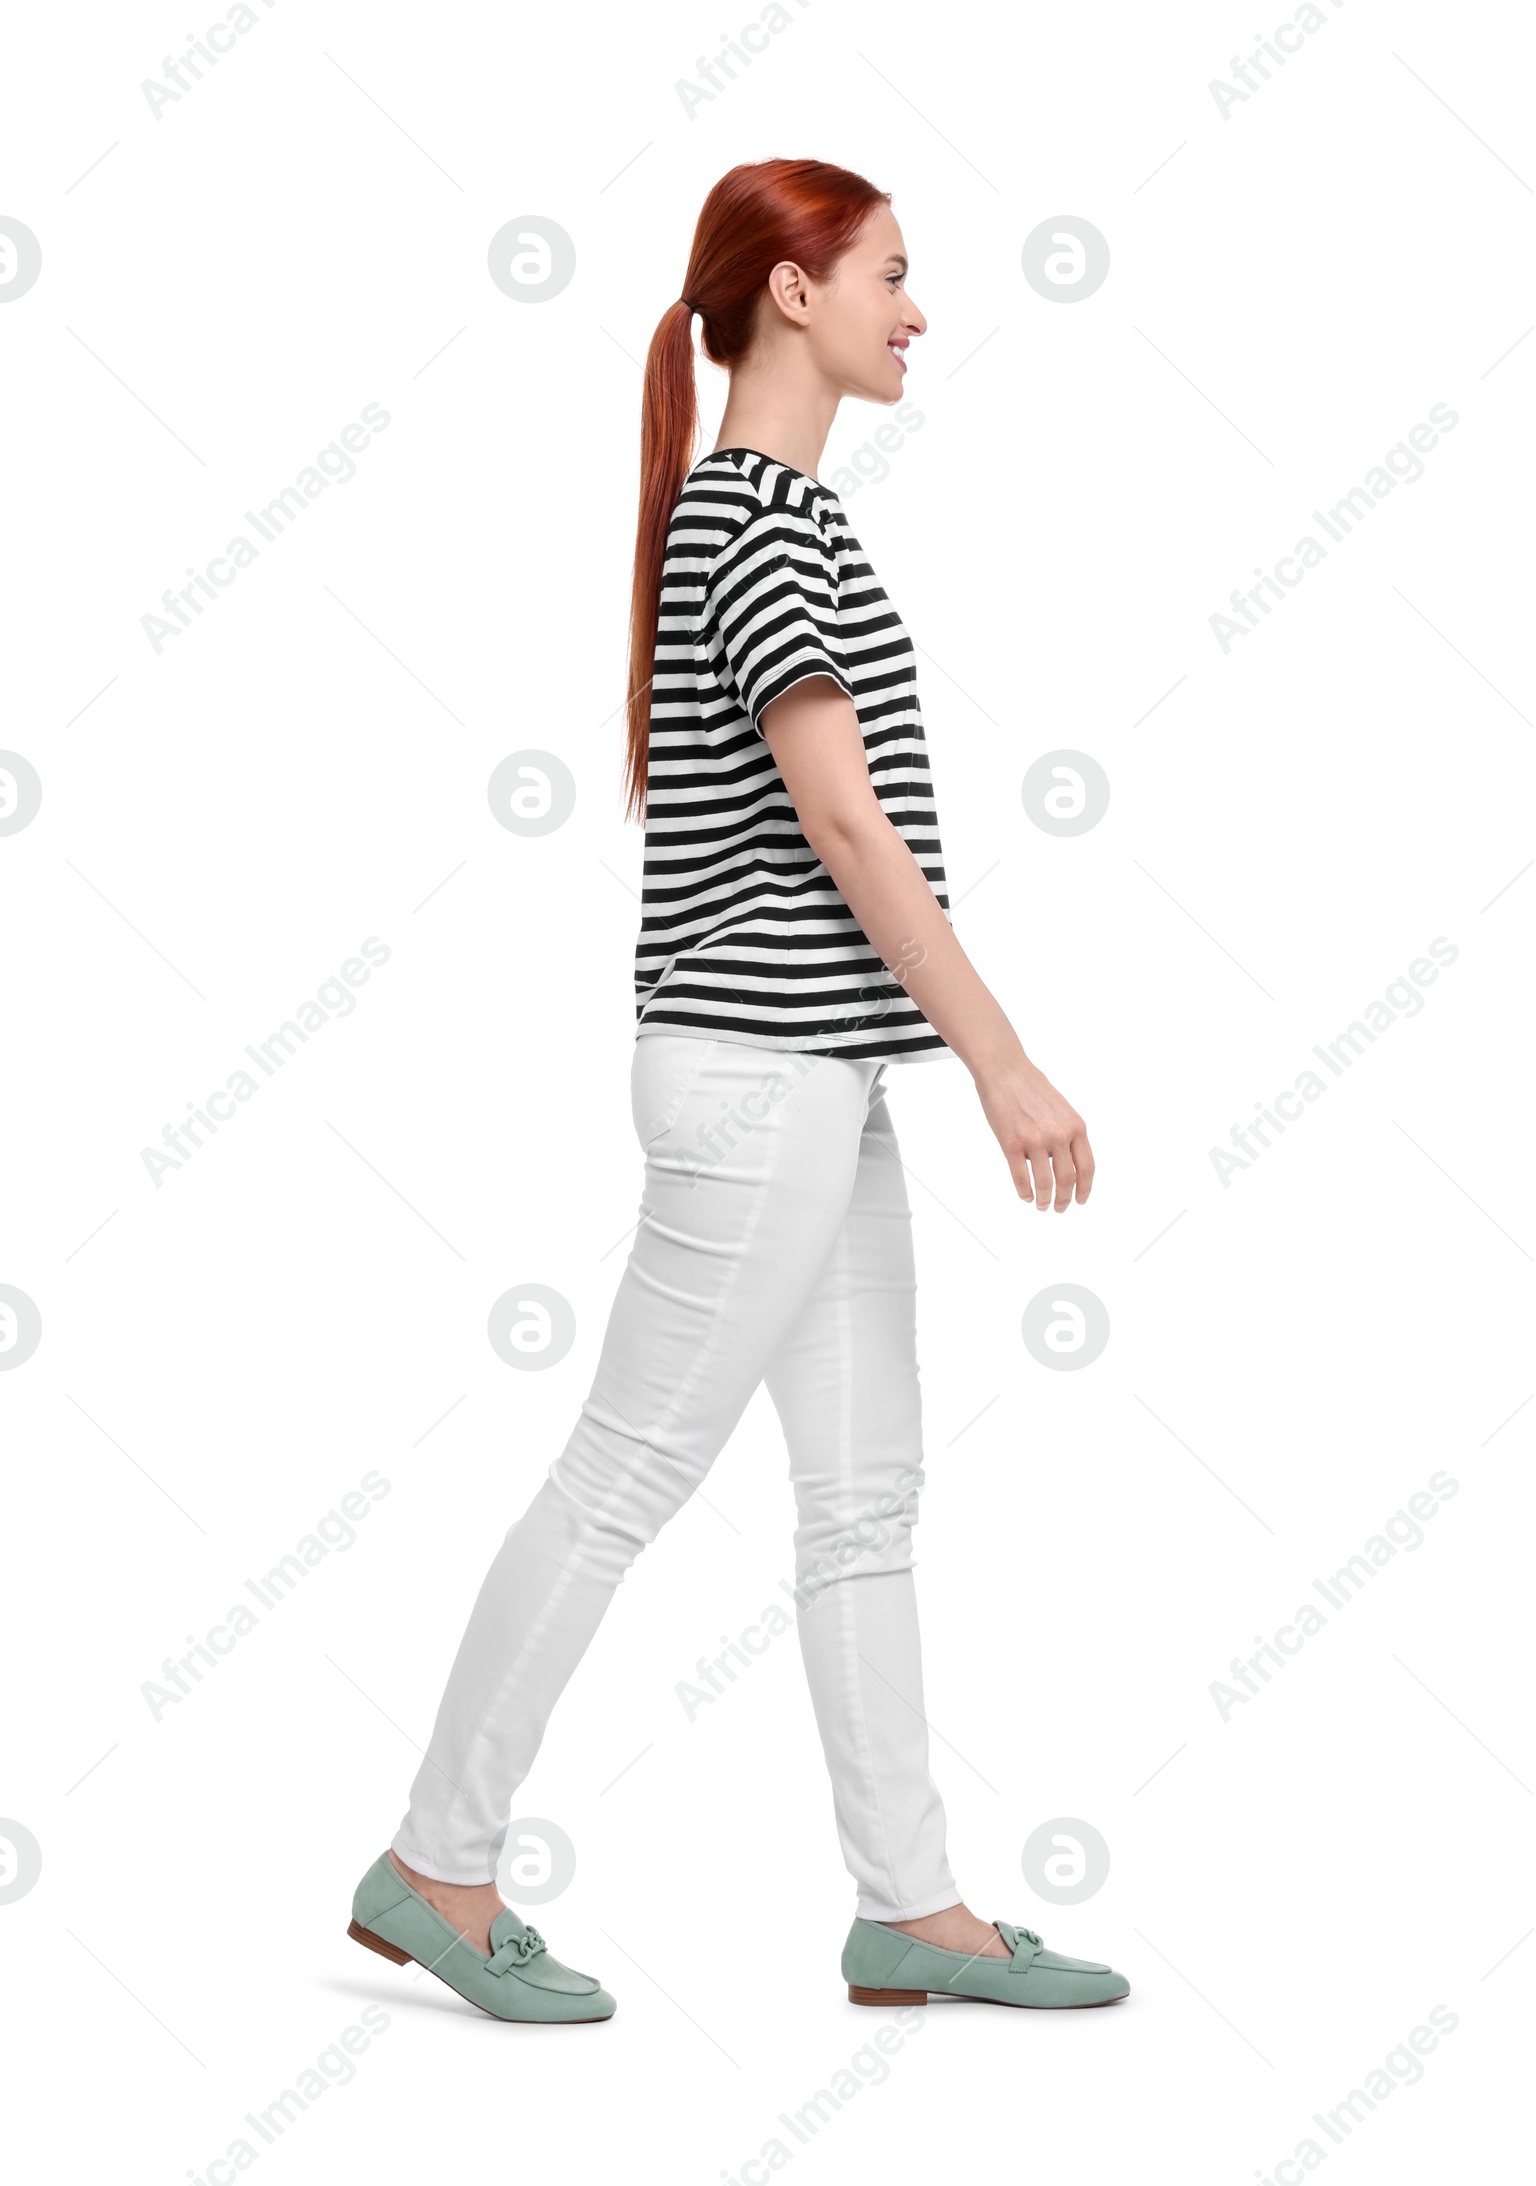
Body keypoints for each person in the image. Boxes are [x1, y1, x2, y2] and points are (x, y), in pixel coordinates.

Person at [347, 156, 1130, 2023]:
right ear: (793, 293)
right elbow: (844, 822)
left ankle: (910, 1907)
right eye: (891, 273)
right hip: (759, 1086)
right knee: (623, 1477)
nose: (919, 310)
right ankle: (438, 1860)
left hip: (817, 1080)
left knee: (863, 1500)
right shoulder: (760, 527)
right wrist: (1006, 1060)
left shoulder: (761, 514)